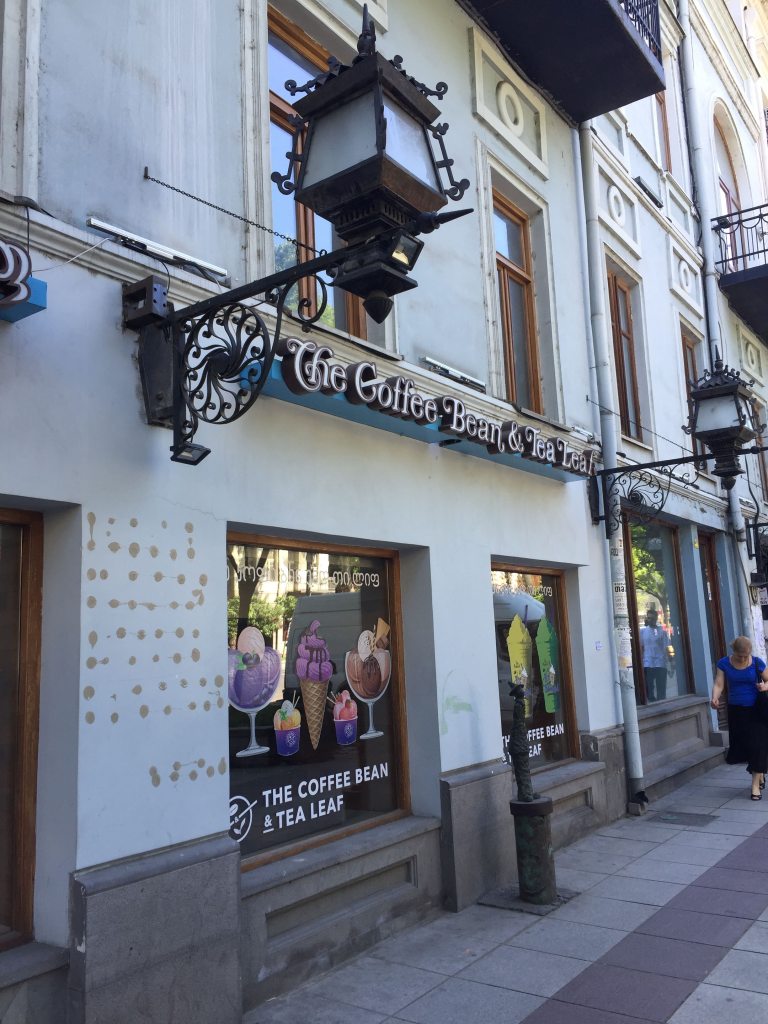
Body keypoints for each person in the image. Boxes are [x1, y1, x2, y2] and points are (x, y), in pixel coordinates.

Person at [711, 635, 768, 799]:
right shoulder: (723, 663)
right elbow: (719, 684)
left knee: (758, 745)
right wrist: (715, 698)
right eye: (740, 656)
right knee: (746, 746)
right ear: (733, 651)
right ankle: (759, 772)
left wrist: (764, 686)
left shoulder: (757, 663)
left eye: (746, 656)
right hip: (736, 711)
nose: (743, 659)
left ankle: (755, 786)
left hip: (757, 710)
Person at [639, 607, 668, 701]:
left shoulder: (662, 632)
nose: (650, 620)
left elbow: (667, 647)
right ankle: (652, 702)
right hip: (648, 663)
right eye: (649, 618)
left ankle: (662, 703)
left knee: (661, 688)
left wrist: (670, 661)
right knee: (649, 688)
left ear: (656, 618)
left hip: (660, 663)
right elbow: (641, 647)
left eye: (652, 618)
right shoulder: (642, 631)